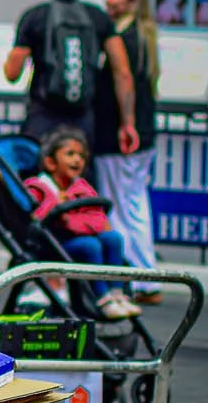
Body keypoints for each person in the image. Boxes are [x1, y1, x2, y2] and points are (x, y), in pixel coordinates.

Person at [3, 0, 140, 155]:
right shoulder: (98, 18)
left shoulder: (34, 17)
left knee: (36, 180)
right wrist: (128, 123)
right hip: (81, 120)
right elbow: (122, 72)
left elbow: (12, 74)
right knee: (78, 178)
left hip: (42, 118)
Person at [25, 126, 140, 318]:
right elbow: (35, 217)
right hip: (53, 244)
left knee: (113, 238)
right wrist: (57, 205)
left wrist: (80, 219)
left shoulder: (82, 187)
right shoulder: (40, 187)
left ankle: (118, 294)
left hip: (81, 235)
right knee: (90, 245)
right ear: (51, 163)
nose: (78, 159)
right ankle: (102, 298)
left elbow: (98, 216)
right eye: (70, 154)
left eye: (81, 155)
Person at [94, 0, 160, 304]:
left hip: (120, 136)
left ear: (132, 1)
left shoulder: (123, 39)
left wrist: (126, 124)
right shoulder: (143, 37)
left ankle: (135, 275)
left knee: (120, 207)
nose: (108, 0)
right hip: (141, 135)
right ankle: (145, 274)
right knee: (135, 204)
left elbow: (123, 81)